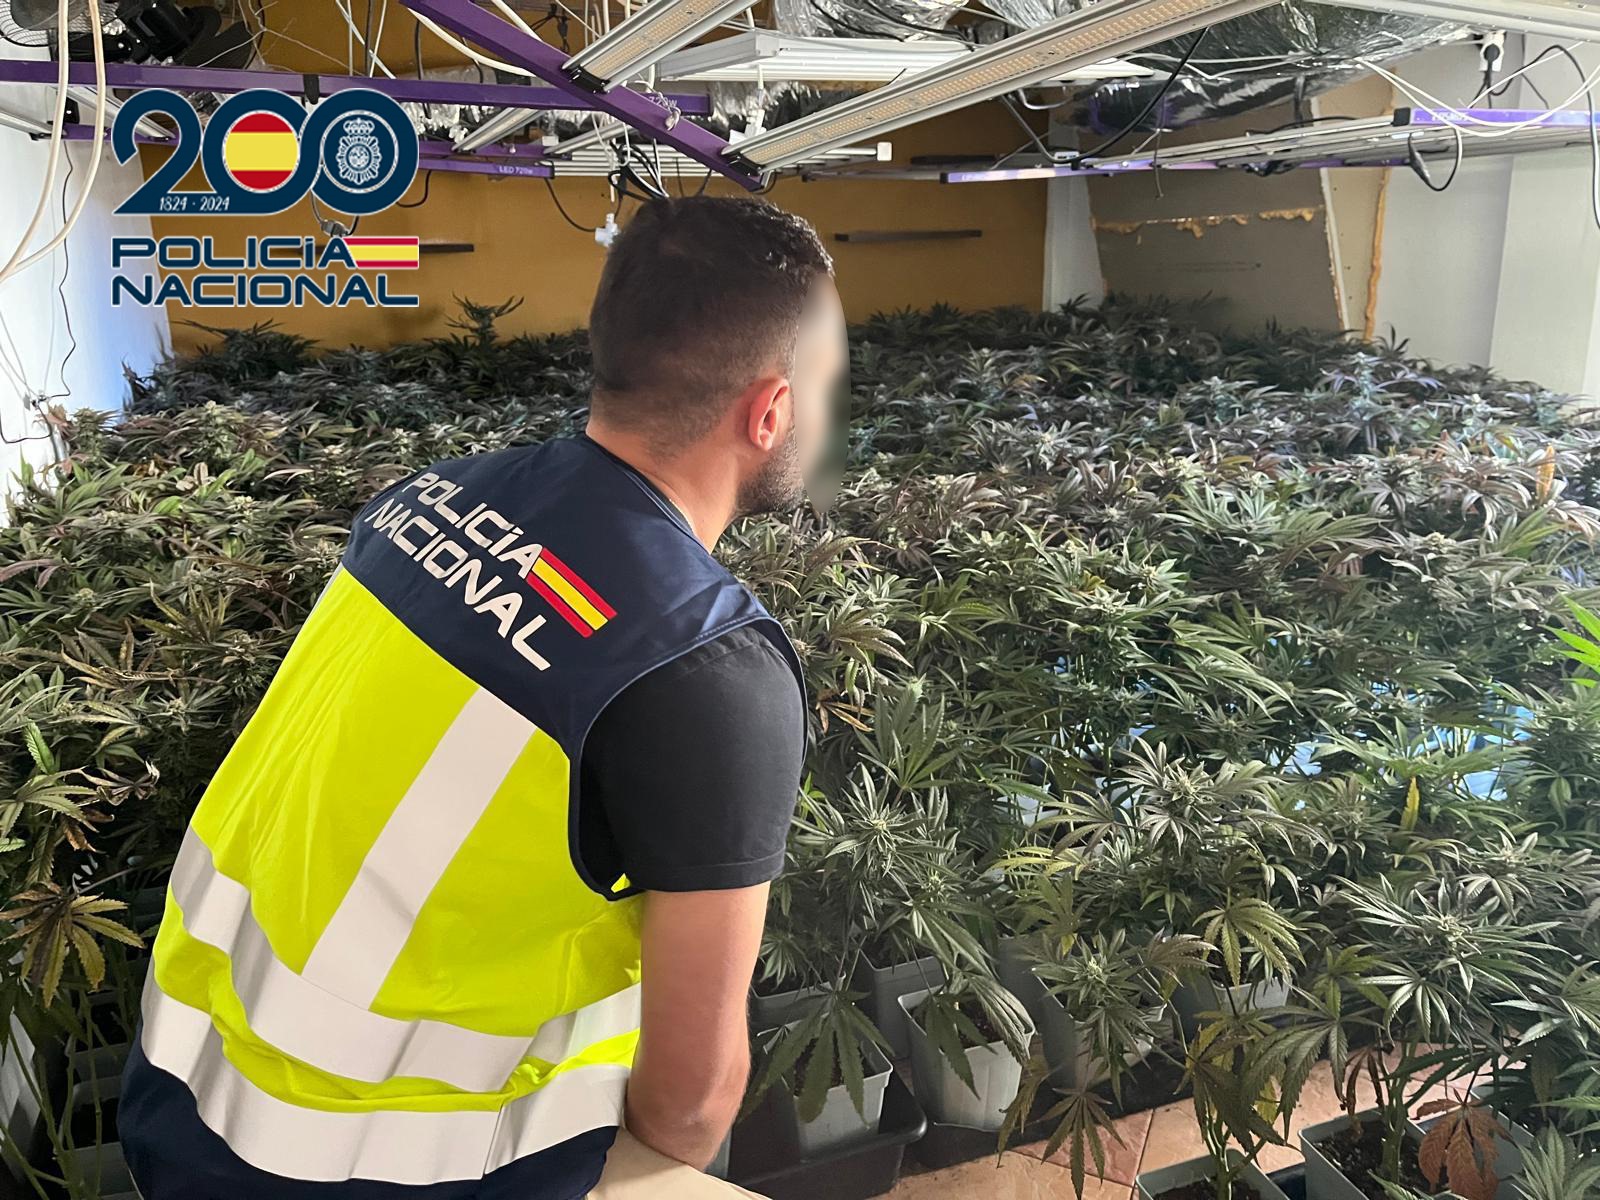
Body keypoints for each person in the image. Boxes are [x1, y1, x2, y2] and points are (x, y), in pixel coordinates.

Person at [118, 195, 847, 1200]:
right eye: (825, 386)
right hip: (369, 1171)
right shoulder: (702, 666)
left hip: (178, 1095)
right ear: (769, 411)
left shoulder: (426, 498)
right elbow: (689, 1108)